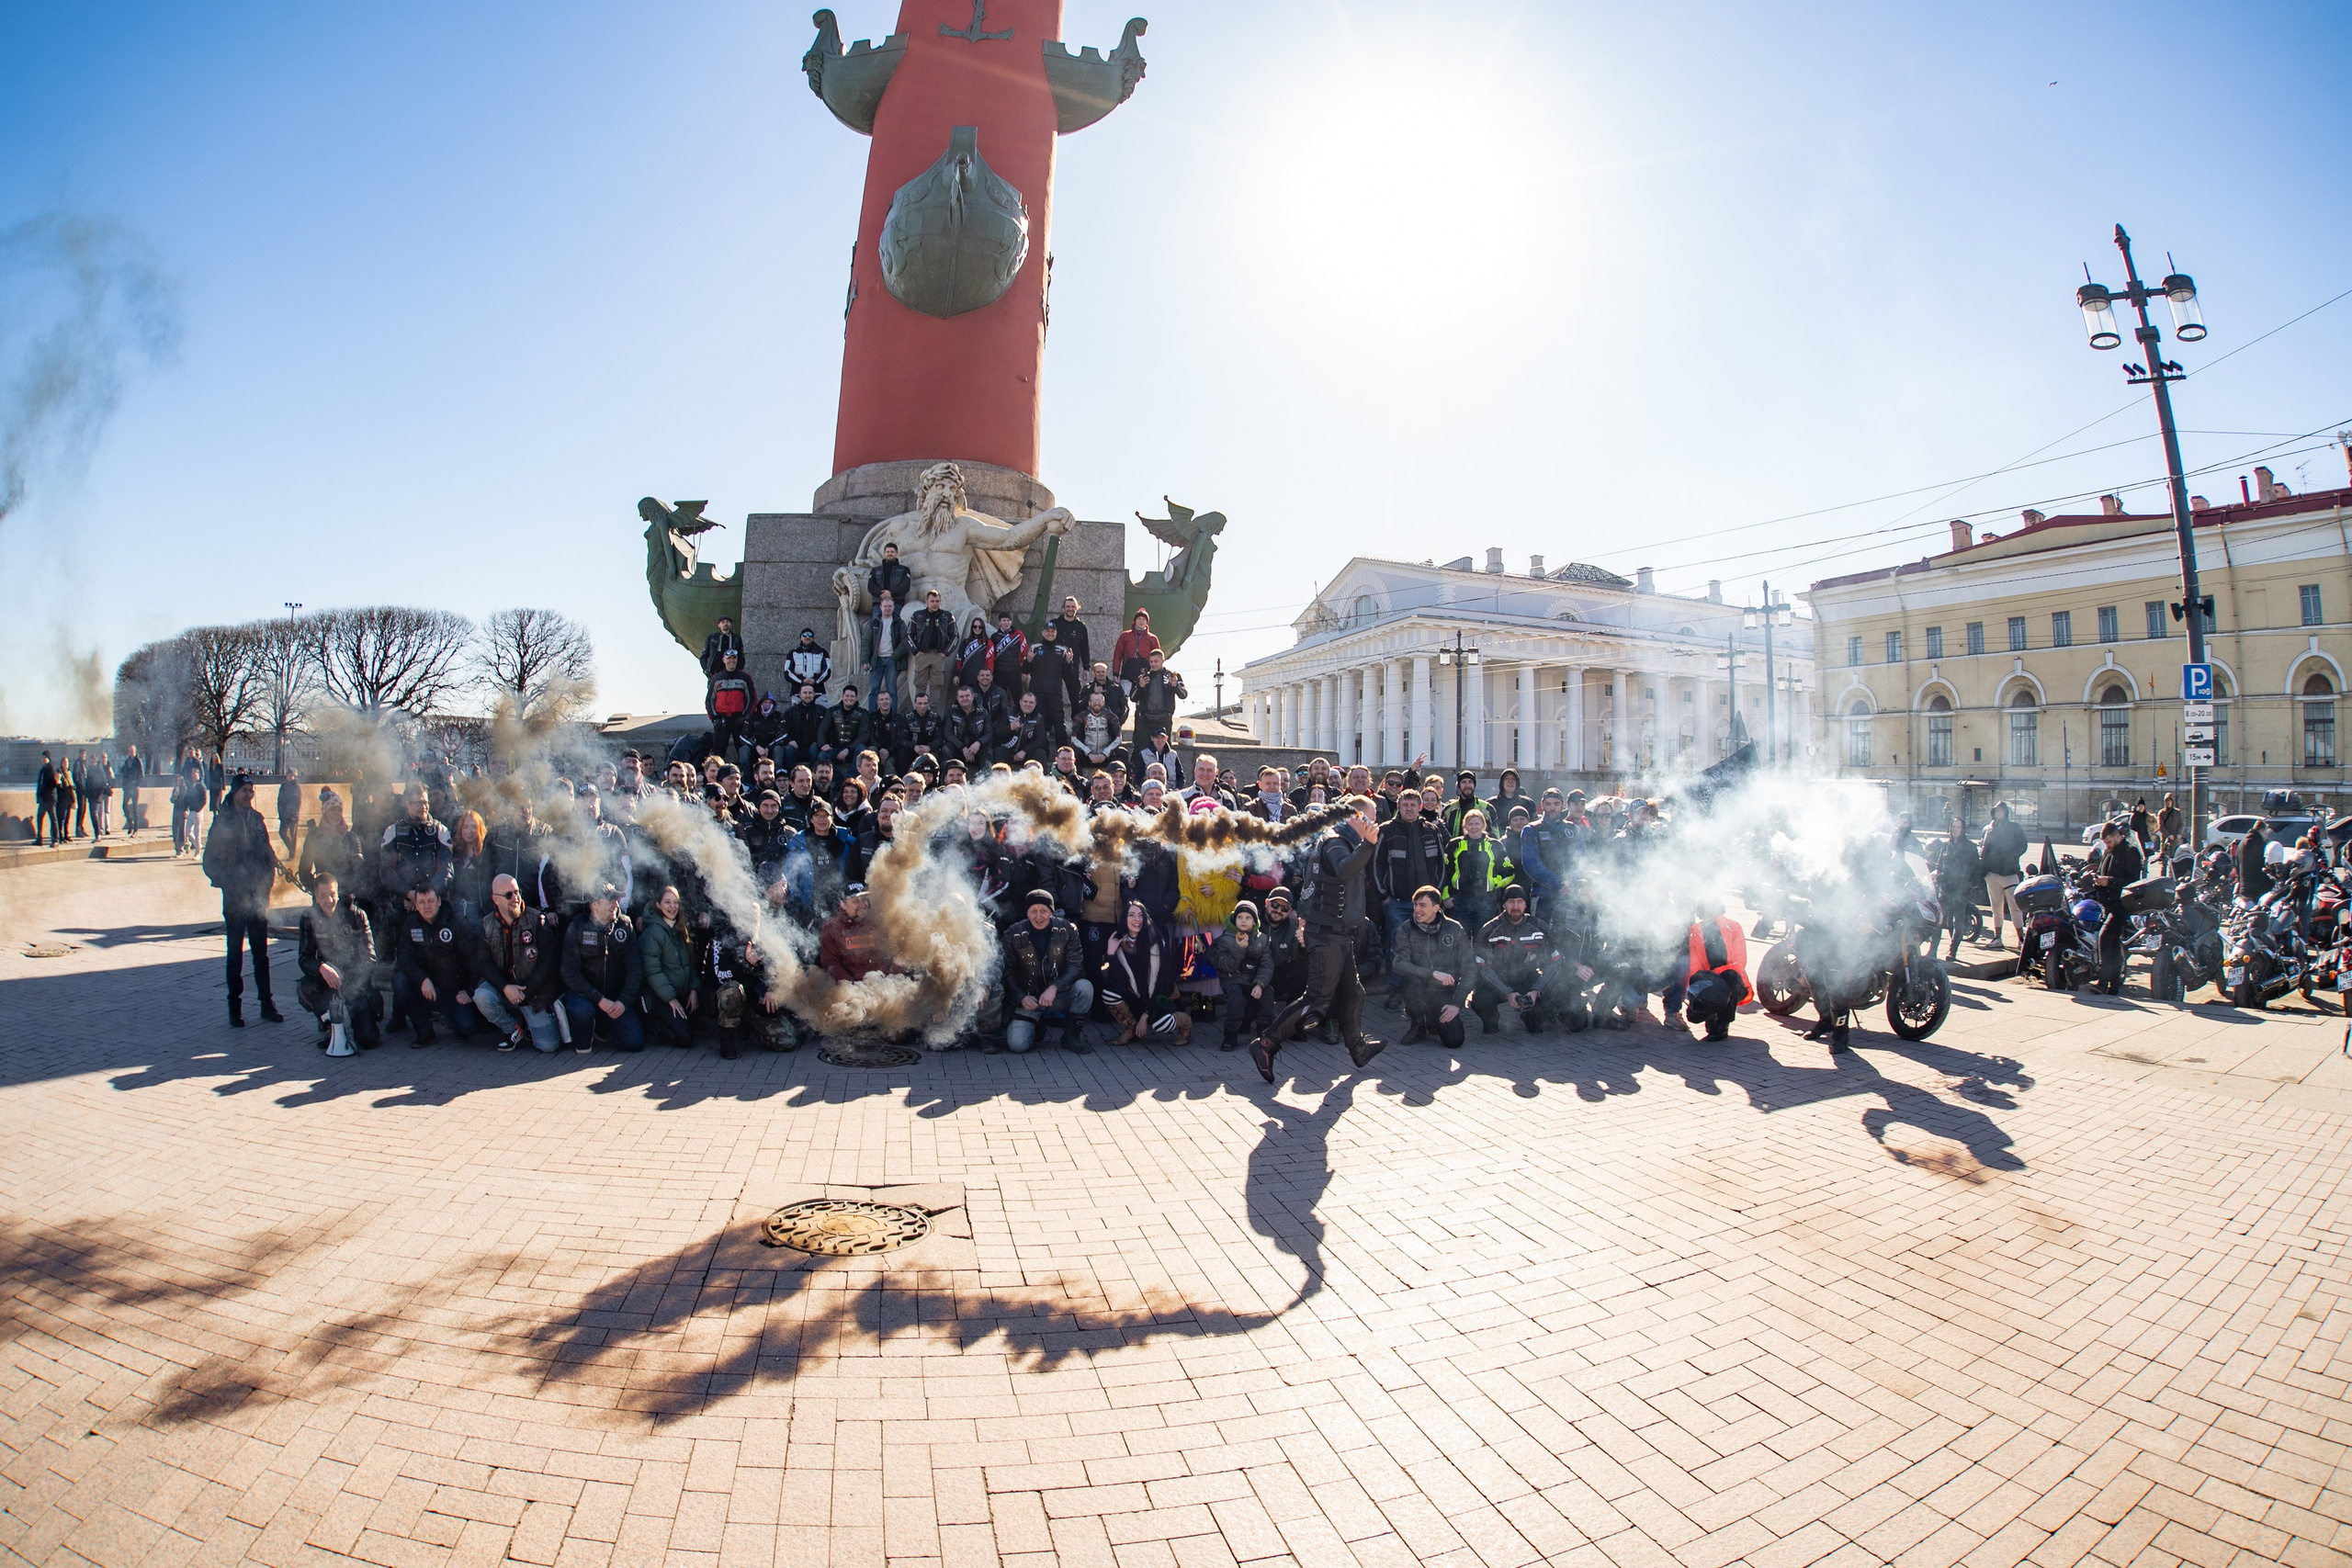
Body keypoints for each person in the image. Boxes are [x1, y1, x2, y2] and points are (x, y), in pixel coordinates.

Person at [1252, 795, 1383, 1081]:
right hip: (1327, 934)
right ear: (1354, 818)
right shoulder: (1336, 842)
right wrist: (1368, 845)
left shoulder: (1338, 840)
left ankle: (1357, 1048)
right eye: (1370, 818)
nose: (1374, 824)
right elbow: (1345, 870)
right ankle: (1266, 1043)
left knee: (1354, 992)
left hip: (1336, 931)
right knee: (1317, 1000)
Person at [202, 773, 281, 1027]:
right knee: (235, 955)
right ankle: (234, 1008)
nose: (249, 794)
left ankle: (266, 1004)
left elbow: (268, 854)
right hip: (235, 900)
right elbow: (209, 862)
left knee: (261, 954)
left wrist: (266, 884)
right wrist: (227, 882)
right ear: (234, 793)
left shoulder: (257, 820)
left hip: (257, 898)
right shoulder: (222, 821)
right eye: (245, 790)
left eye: (251, 790)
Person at [474, 873, 565, 1052]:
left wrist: (525, 992)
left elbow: (548, 962)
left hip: (532, 992)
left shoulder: (538, 921)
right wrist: (505, 988)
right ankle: (513, 1029)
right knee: (482, 997)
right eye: (508, 895)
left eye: (517, 892)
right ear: (495, 899)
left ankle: (529, 1021)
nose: (515, 898)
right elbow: (484, 962)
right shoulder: (486, 925)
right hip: (504, 988)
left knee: (549, 1046)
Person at [1473, 886, 1577, 1035]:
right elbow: (1481, 966)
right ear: (1503, 904)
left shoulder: (1539, 927)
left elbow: (1555, 961)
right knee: (1480, 1001)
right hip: (1498, 982)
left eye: (1520, 901)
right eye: (1511, 902)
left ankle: (1533, 1015)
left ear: (1526, 904)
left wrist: (1536, 991)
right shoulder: (1489, 929)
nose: (1515, 906)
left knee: (1560, 996)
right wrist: (1507, 993)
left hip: (1527, 980)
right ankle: (1492, 1020)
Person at [1000, 889, 1092, 1054]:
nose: (1039, 916)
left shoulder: (1068, 930)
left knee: (1085, 988)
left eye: (1043, 911)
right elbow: (1007, 972)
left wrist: (1054, 987)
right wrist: (1021, 997)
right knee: (1017, 1045)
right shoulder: (1013, 934)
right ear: (1027, 912)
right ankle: (1037, 1025)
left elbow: (1076, 965)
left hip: (1058, 995)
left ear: (1051, 911)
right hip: (1029, 999)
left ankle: (1071, 1037)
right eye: (1033, 911)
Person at [561, 884, 645, 1052]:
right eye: (610, 900)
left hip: (615, 998)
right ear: (594, 905)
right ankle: (583, 1028)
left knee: (635, 1043)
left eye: (616, 899)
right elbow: (569, 972)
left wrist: (623, 1001)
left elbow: (634, 969)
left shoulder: (625, 926)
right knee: (582, 1013)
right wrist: (599, 999)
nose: (616, 904)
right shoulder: (577, 927)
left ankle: (602, 1025)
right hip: (585, 995)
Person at [393, 884, 479, 1045]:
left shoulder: (457, 922)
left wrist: (470, 991)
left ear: (439, 901)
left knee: (469, 1028)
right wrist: (423, 979)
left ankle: (451, 1019)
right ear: (416, 905)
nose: (427, 906)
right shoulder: (411, 924)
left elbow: (476, 958)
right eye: (422, 902)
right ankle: (425, 1032)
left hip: (456, 991)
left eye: (431, 901)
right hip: (429, 988)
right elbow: (404, 957)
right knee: (400, 980)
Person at [1374, 787, 1444, 985]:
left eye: (1413, 805)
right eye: (1405, 805)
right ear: (1398, 807)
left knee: (1428, 946)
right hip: (1397, 902)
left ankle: (1424, 988)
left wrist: (1436, 894)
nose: (1409, 808)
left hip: (1427, 904)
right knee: (1397, 947)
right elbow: (1376, 864)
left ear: (1420, 807)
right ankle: (1396, 988)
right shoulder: (1386, 830)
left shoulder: (1432, 830)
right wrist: (1384, 896)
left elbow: (1441, 863)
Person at [1391, 886, 1473, 1051]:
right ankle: (1418, 1024)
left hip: (1443, 992)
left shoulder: (1454, 929)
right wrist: (1432, 973)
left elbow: (1470, 968)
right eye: (1415, 905)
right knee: (1409, 980)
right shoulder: (1405, 929)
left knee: (1454, 1040)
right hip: (1419, 988)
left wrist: (1456, 1005)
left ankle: (1434, 1020)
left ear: (1436, 908)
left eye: (1422, 905)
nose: (1417, 910)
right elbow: (1398, 963)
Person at [1100, 900, 1186, 1044]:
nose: (1137, 920)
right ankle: (1131, 1028)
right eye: (1131, 915)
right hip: (1136, 997)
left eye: (1141, 915)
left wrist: (1145, 1016)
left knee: (1162, 1025)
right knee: (1109, 992)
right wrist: (1111, 954)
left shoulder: (1156, 939)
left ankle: (1185, 1023)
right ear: (1125, 919)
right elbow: (1117, 980)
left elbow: (1163, 982)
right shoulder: (1120, 942)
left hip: (1159, 997)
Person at [2086, 818, 2144, 996]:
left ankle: (2103, 982)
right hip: (2108, 904)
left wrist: (2109, 881)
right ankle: (2113, 985)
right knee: (2111, 944)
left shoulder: (2130, 852)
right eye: (2105, 844)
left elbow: (2133, 881)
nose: (2108, 846)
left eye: (2110, 842)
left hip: (2122, 905)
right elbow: (2104, 873)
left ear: (2118, 836)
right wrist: (2096, 879)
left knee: (2105, 938)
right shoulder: (2108, 853)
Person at [1680, 901, 1751, 1042]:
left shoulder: (1733, 926)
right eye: (1704, 907)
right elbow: (1694, 965)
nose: (1707, 911)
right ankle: (1711, 1016)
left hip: (1731, 980)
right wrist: (1695, 988)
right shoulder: (1696, 930)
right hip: (1708, 979)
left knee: (1730, 976)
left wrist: (1715, 975)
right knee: (1694, 1016)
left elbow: (1740, 961)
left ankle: (1723, 1024)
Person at [1208, 899, 1273, 1051]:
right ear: (1234, 919)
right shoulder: (1225, 940)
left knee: (1268, 994)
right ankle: (1230, 1036)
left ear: (1254, 921)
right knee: (1235, 998)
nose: (1244, 920)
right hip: (1234, 980)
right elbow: (1225, 966)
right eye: (1240, 917)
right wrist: (1239, 949)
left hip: (1255, 980)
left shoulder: (1262, 939)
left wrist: (1260, 984)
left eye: (1248, 917)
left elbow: (1267, 964)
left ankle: (1264, 1035)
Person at [1442, 808, 1510, 939]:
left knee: (1484, 937)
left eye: (1477, 823)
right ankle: (1463, 960)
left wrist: (1495, 883)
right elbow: (1445, 872)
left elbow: (1509, 872)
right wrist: (1445, 896)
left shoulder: (1495, 845)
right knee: (1460, 938)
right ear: (1465, 825)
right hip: (1458, 901)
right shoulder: (1454, 844)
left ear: (1483, 825)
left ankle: (1481, 959)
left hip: (1486, 900)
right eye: (1470, 824)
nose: (1474, 827)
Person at [1978, 803, 2028, 950]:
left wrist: (2012, 856)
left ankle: (2021, 938)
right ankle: (1998, 937)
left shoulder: (2014, 827)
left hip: (2009, 872)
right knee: (1996, 908)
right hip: (1992, 873)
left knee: (2015, 907)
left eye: (2001, 811)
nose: (1999, 813)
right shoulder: (1988, 829)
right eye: (1997, 811)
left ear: (2006, 812)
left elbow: (2023, 845)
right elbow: (1983, 847)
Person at [1932, 814, 1981, 961]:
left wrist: (1969, 886)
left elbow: (1975, 869)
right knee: (1939, 922)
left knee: (1957, 924)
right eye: (1953, 827)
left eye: (1958, 827)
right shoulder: (1946, 845)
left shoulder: (1970, 847)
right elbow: (1939, 864)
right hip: (1945, 889)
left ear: (1963, 829)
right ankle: (1932, 951)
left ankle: (1953, 951)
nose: (1955, 829)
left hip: (1960, 891)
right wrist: (1938, 876)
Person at [1026, 617, 1080, 730]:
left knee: (1060, 725)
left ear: (1056, 633)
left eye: (1052, 631)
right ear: (1043, 632)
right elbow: (1025, 670)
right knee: (1039, 726)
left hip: (1055, 693)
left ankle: (1063, 748)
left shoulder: (1063, 649)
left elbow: (1068, 675)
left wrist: (1069, 662)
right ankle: (1041, 748)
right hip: (1037, 692)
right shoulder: (1034, 648)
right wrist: (1029, 660)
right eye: (1047, 631)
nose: (1050, 634)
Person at [908, 587, 957, 707]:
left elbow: (955, 636)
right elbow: (908, 635)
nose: (935, 604)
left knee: (936, 685)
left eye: (937, 601)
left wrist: (945, 653)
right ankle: (919, 711)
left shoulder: (947, 616)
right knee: (920, 685)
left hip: (938, 655)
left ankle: (933, 713)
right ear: (927, 602)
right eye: (932, 601)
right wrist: (915, 651)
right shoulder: (917, 616)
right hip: (922, 654)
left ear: (940, 602)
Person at [707, 649, 756, 763]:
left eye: (734, 658)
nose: (731, 661)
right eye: (729, 659)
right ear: (724, 660)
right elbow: (709, 700)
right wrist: (714, 718)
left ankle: (746, 776)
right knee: (718, 751)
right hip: (721, 719)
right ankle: (717, 776)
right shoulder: (716, 678)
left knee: (743, 749)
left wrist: (744, 717)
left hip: (739, 719)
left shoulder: (745, 677)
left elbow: (752, 699)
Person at [1131, 649, 1186, 743]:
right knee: (1141, 750)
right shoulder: (1143, 677)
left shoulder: (1172, 676)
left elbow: (1183, 695)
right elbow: (1133, 698)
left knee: (1164, 751)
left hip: (1164, 719)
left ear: (1163, 660)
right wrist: (1140, 686)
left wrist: (1175, 684)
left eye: (1156, 661)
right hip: (1145, 720)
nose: (1153, 664)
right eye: (1151, 661)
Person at [866, 590, 908, 708]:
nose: (888, 609)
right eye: (885, 606)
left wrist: (895, 656)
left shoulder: (899, 623)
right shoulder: (874, 622)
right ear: (881, 607)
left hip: (891, 659)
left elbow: (905, 641)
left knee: (892, 691)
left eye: (890, 606)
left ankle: (893, 717)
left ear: (894, 607)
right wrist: (865, 660)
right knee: (874, 691)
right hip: (876, 660)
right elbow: (866, 642)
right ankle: (872, 718)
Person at [1112, 608, 1160, 692]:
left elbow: (1158, 657)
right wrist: (1115, 673)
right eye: (1139, 619)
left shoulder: (1152, 638)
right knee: (1124, 700)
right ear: (1135, 621)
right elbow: (1118, 655)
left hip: (1145, 675)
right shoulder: (1125, 636)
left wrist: (1157, 674)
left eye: (1143, 619)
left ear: (1147, 622)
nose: (1141, 621)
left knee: (1142, 702)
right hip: (1127, 673)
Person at [783, 627, 832, 694]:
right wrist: (802, 680)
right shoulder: (793, 653)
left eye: (810, 635)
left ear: (813, 638)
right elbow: (787, 671)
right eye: (805, 635)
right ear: (801, 637)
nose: (807, 637)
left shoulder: (822, 652)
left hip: (818, 691)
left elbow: (827, 670)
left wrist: (816, 680)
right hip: (797, 691)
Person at [699, 615, 746, 680]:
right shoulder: (712, 637)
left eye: (727, 622)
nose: (725, 624)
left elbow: (741, 655)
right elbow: (704, 655)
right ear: (719, 625)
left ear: (730, 624)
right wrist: (706, 669)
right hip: (715, 669)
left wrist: (739, 670)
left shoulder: (736, 638)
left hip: (731, 669)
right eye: (723, 622)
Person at [33, 751, 59, 847]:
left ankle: (55, 840)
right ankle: (40, 839)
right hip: (45, 799)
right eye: (42, 757)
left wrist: (45, 791)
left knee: (52, 819)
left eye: (44, 757)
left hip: (49, 798)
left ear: (48, 758)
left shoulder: (50, 768)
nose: (42, 759)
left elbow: (54, 783)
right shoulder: (44, 769)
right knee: (40, 818)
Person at [276, 772, 303, 856]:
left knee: (293, 834)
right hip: (285, 814)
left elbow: (297, 801)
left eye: (291, 775)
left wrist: (294, 813)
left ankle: (292, 853)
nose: (290, 777)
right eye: (289, 775)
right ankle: (291, 849)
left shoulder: (296, 787)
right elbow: (280, 800)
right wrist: (280, 812)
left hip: (292, 814)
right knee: (282, 832)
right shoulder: (284, 786)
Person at [119, 745, 143, 837]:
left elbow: (141, 774)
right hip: (127, 787)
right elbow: (123, 773)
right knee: (124, 806)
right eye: (130, 751)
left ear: (135, 751)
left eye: (132, 751)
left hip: (134, 787)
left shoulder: (138, 761)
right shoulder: (127, 761)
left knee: (135, 808)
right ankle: (130, 822)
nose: (131, 753)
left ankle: (135, 829)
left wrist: (137, 784)